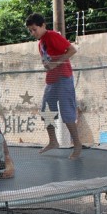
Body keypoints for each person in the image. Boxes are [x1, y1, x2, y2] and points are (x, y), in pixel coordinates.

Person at [25, 13, 82, 160]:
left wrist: (56, 63)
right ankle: (53, 141)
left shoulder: (52, 36)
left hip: (63, 78)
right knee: (46, 112)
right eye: (30, 30)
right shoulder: (40, 43)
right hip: (51, 80)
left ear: (43, 25)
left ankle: (77, 145)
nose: (32, 33)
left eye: (34, 29)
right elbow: (48, 60)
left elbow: (72, 50)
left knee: (67, 113)